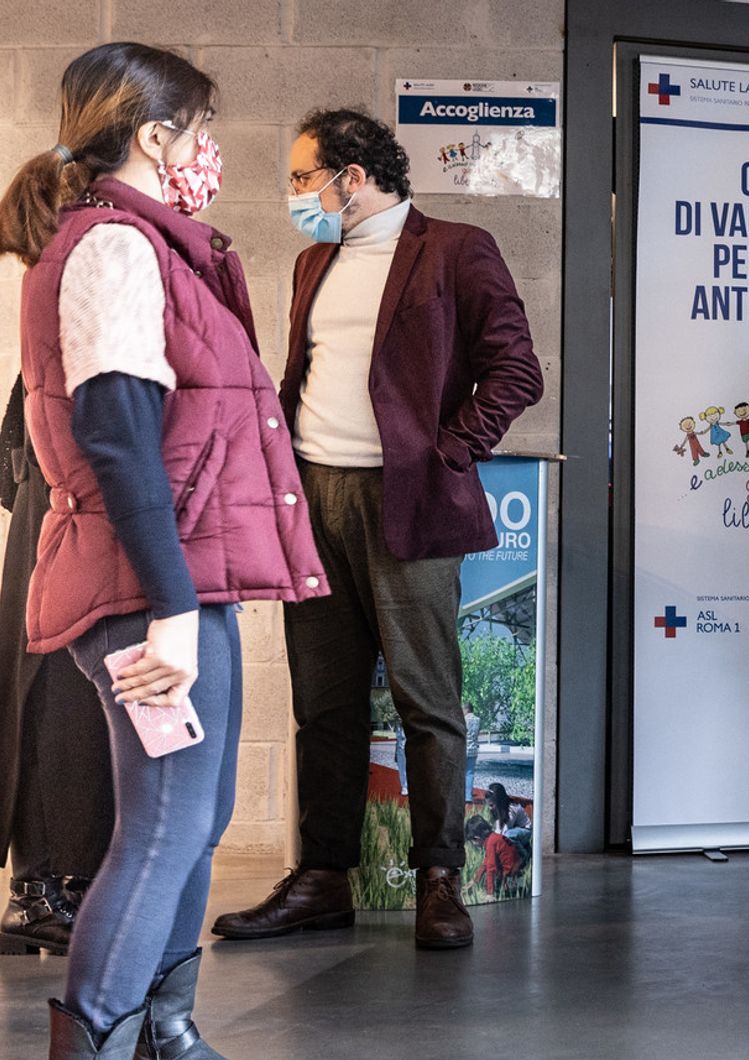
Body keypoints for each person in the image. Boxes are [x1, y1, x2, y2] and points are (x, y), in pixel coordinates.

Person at [0, 41, 328, 1057]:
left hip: (176, 574)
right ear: (154, 135)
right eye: (201, 129)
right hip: (151, 584)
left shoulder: (154, 244)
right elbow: (113, 430)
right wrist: (175, 607)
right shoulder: (112, 246)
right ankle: (96, 1041)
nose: (211, 149)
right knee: (162, 826)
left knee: (194, 813)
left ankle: (163, 1030)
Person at [213, 108, 544, 952]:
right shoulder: (312, 258)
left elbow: (518, 369)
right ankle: (323, 878)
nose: (295, 194)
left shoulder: (455, 249)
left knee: (427, 703)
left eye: (301, 177)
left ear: (350, 175)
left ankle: (440, 879)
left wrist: (450, 452)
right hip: (311, 501)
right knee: (323, 703)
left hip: (410, 504)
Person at [0, 378, 114, 955]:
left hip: (69, 516)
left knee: (81, 706)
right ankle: (39, 891)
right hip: (61, 518)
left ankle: (64, 887)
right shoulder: (76, 307)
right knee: (58, 699)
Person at [463, 704, 481, 803]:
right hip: (473, 749)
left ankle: (459, 794)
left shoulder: (463, 719)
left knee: (461, 773)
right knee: (470, 774)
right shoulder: (478, 720)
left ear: (467, 709)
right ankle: (468, 797)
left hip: (463, 749)